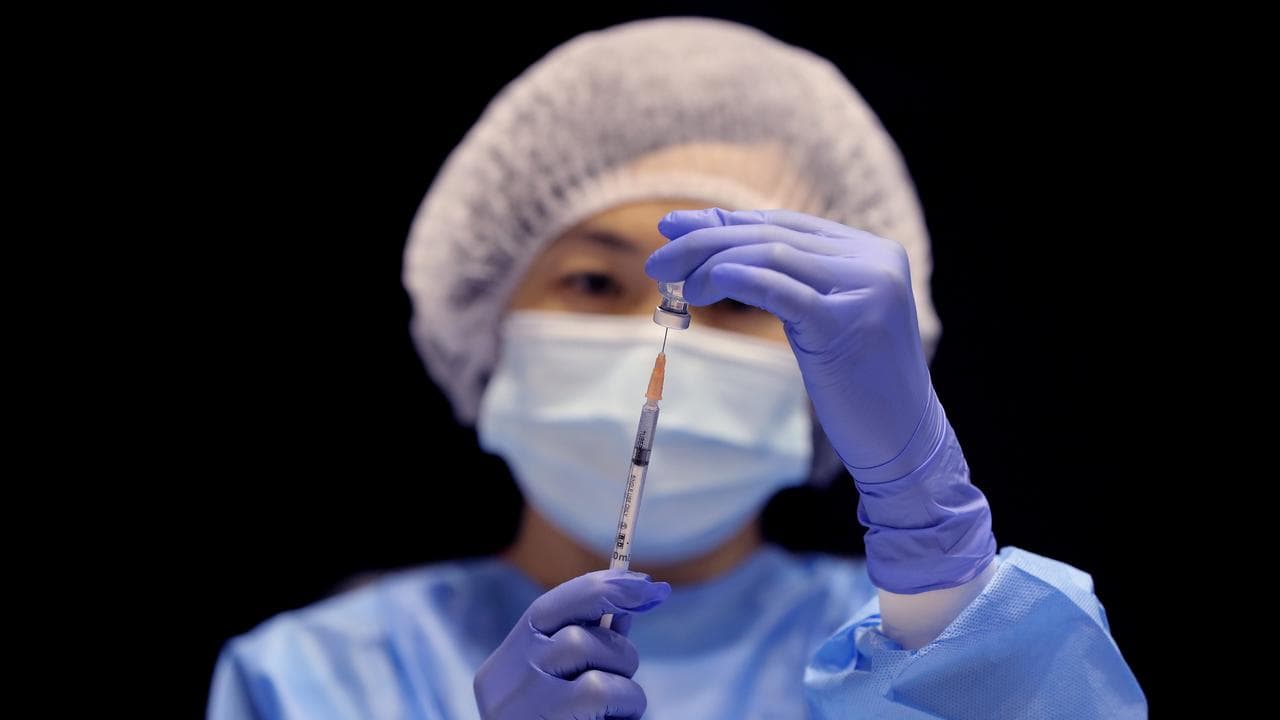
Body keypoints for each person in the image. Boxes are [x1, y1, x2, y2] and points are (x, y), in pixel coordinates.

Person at [208, 17, 1146, 719]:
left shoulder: (924, 646)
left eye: (734, 297)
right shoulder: (311, 681)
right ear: (484, 321)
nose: (660, 332)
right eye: (591, 280)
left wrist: (937, 561)